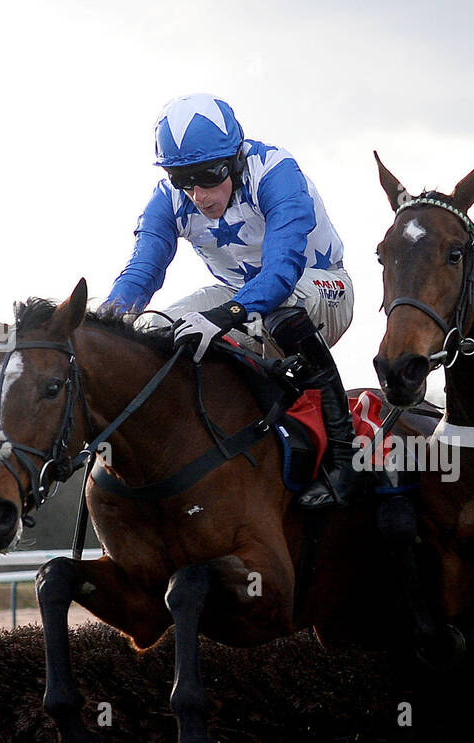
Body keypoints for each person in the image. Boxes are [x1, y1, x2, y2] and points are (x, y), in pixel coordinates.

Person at [101, 93, 357, 508]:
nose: (198, 195)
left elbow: (281, 270)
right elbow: (141, 272)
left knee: (278, 307)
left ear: (236, 159)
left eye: (208, 175)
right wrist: (100, 323)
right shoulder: (167, 198)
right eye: (182, 179)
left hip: (321, 289)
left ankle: (344, 456)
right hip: (244, 295)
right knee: (150, 328)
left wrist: (225, 315)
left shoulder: (276, 172)